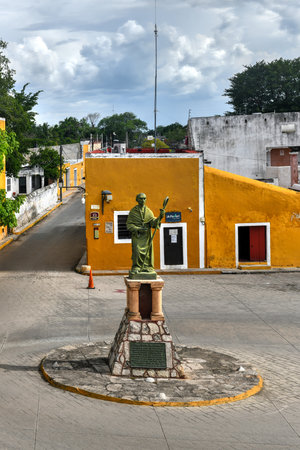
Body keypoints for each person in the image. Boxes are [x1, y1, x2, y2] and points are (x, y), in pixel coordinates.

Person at [126, 193, 164, 277]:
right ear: (137, 200)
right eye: (141, 199)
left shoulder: (148, 211)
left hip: (147, 236)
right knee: (136, 250)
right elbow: (129, 225)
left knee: (148, 252)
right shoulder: (133, 211)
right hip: (137, 236)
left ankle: (147, 267)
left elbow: (153, 223)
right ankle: (136, 267)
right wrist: (138, 229)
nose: (143, 200)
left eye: (144, 198)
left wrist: (160, 217)